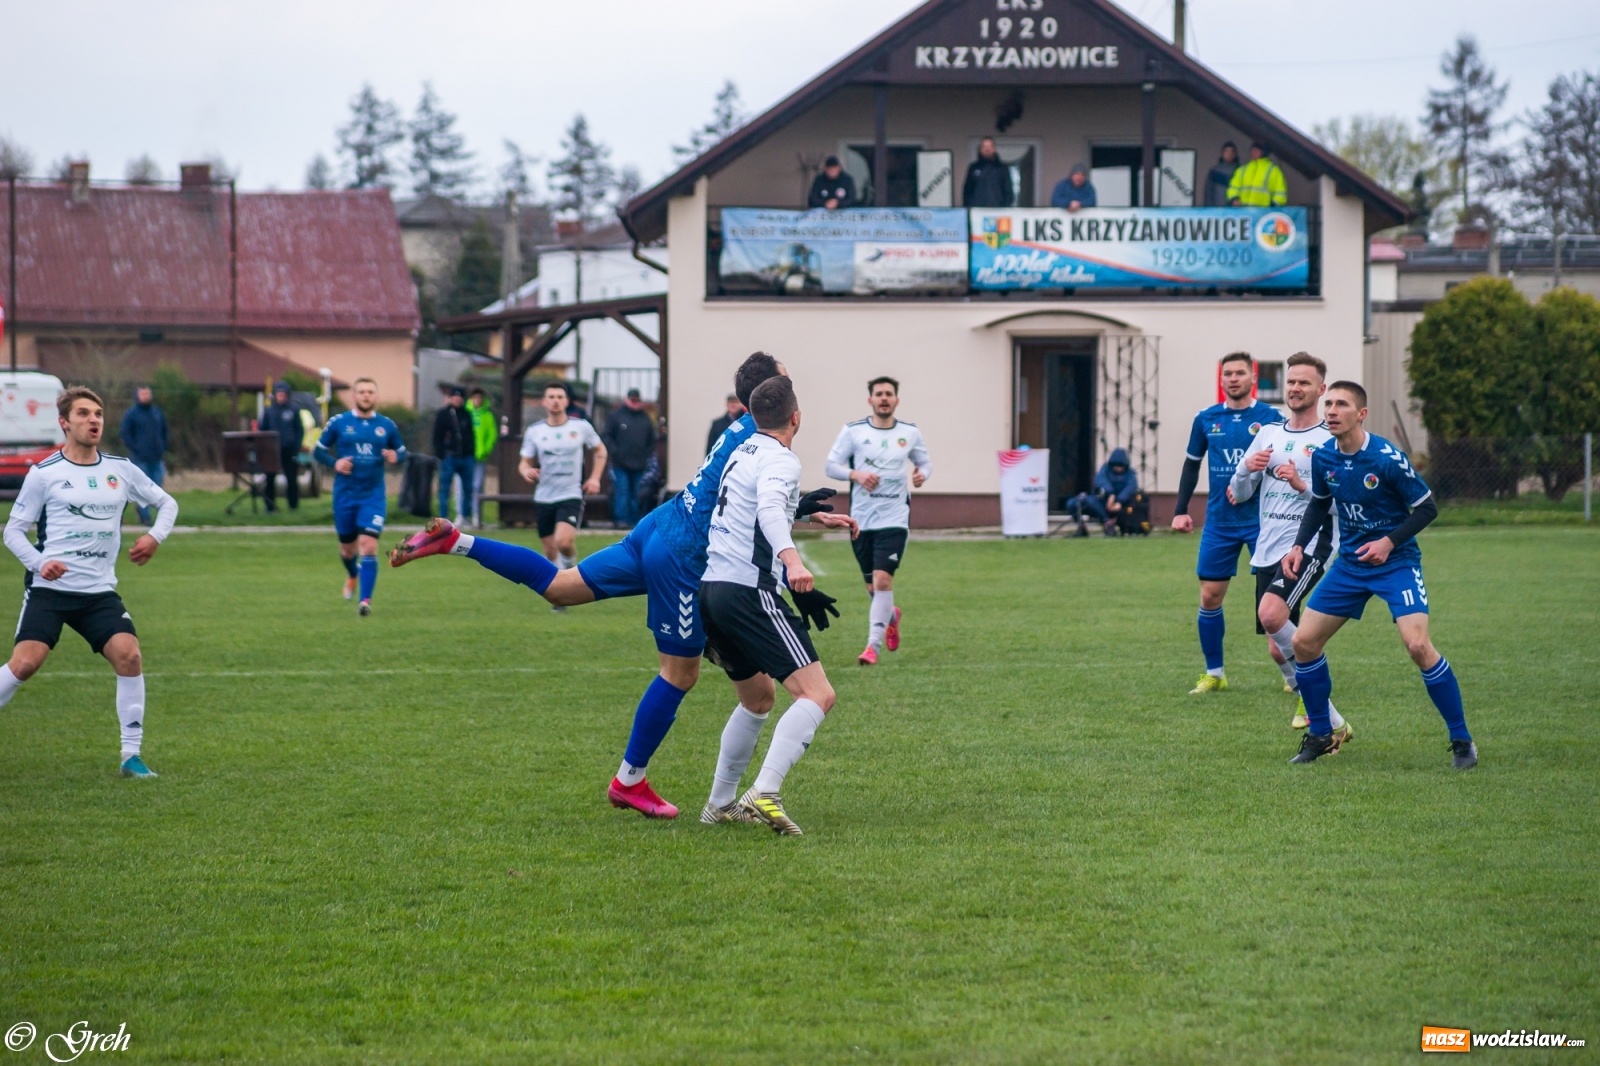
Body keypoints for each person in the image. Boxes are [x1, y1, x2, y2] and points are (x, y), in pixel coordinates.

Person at [390, 353, 855, 820]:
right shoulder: (760, 439)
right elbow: (747, 502)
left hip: (659, 526)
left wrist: (800, 510)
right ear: (774, 394)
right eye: (787, 377)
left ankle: (458, 541)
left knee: (560, 586)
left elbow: (733, 493)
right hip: (683, 558)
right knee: (679, 675)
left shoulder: (738, 431)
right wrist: (791, 536)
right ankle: (629, 780)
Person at [1281, 381, 1476, 770]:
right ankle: (1322, 733)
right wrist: (1298, 545)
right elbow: (1319, 505)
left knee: (1418, 646)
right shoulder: (1324, 457)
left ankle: (1462, 740)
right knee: (1303, 642)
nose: (1332, 410)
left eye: (1342, 404)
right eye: (1330, 403)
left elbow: (1426, 508)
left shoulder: (1387, 458)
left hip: (1396, 563)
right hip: (1351, 566)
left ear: (1361, 414)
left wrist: (1388, 542)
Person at [699, 375, 855, 835]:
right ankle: (764, 791)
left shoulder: (740, 451)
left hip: (713, 590)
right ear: (796, 417)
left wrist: (806, 513)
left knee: (758, 698)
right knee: (818, 694)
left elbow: (751, 506)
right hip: (749, 592)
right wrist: (792, 562)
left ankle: (719, 803)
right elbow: (767, 506)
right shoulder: (782, 459)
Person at [0, 386, 178, 778]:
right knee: (26, 664)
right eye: (83, 413)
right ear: (64, 423)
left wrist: (153, 537)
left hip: (98, 592)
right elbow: (13, 532)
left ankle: (131, 756)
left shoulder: (121, 469)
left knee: (129, 655)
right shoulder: (44, 474)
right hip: (50, 590)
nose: (93, 419)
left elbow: (168, 503)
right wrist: (40, 562)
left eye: (97, 413)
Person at [1228, 352, 1349, 740]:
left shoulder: (1329, 440)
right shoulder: (1269, 434)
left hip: (1312, 543)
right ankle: (1330, 719)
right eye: (1292, 382)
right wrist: (1247, 469)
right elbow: (1238, 492)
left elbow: (1343, 500)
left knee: (1273, 614)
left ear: (1321, 389)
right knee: (1279, 649)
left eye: (1304, 383)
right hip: (1268, 547)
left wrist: (1303, 485)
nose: (1296, 389)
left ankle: (1319, 716)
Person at [1171, 352, 1284, 694]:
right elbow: (1191, 466)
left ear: (1254, 377)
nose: (1233, 378)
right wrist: (1180, 509)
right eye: (1228, 374)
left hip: (1263, 522)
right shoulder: (1206, 419)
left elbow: (1283, 464)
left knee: (1277, 602)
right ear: (1221, 380)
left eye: (1240, 373)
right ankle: (1215, 673)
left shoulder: (1271, 419)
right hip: (1219, 521)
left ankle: (1292, 673)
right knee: (1209, 596)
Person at [824, 376, 930, 666]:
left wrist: (922, 475)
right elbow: (830, 466)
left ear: (896, 400)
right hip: (862, 520)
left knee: (883, 580)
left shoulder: (910, 432)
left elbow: (924, 463)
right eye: (879, 394)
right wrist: (856, 475)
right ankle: (891, 615)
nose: (884, 398)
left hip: (894, 518)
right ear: (870, 400)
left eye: (889, 394)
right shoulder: (853, 432)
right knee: (872, 588)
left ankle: (872, 647)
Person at [315, 378, 407, 616]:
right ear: (354, 396)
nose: (366, 395)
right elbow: (318, 450)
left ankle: (365, 602)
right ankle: (353, 573)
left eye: (370, 392)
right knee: (347, 550)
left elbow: (402, 451)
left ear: (376, 397)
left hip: (373, 496)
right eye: (362, 392)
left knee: (368, 545)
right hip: (345, 496)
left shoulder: (386, 425)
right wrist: (335, 463)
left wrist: (396, 457)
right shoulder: (339, 423)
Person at [519, 382, 606, 600]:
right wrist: (527, 471)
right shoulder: (535, 431)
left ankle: (570, 571)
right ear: (544, 402)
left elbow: (600, 450)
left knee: (564, 542)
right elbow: (523, 462)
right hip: (544, 496)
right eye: (551, 396)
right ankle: (559, 593)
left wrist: (595, 478)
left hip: (570, 493)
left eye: (560, 396)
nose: (556, 400)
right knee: (549, 551)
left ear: (566, 401)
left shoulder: (581, 427)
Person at [602, 388, 656, 530]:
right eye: (632, 400)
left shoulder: (645, 418)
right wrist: (615, 451)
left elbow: (651, 439)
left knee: (636, 494)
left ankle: (634, 520)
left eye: (637, 400)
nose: (634, 403)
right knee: (622, 491)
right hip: (620, 463)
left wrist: (646, 454)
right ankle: (621, 520)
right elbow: (606, 435)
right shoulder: (616, 416)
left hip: (640, 463)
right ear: (627, 399)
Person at [118, 385, 167, 525]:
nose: (146, 396)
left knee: (157, 486)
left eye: (148, 393)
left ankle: (159, 515)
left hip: (157, 457)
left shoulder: (157, 413)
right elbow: (125, 434)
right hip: (140, 458)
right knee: (143, 488)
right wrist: (136, 449)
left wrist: (163, 447)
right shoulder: (132, 414)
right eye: (143, 394)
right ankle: (145, 516)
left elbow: (164, 431)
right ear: (137, 395)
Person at [1069, 448, 1140, 536]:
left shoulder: (1130, 474)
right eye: (1116, 466)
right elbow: (1100, 481)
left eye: (1121, 466)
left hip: (1121, 506)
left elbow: (1131, 487)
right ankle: (1083, 527)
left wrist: (1119, 501)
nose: (1118, 468)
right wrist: (1111, 494)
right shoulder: (1105, 470)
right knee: (1072, 503)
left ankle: (1108, 524)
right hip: (1101, 502)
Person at [433, 387, 476, 524]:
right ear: (451, 398)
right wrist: (441, 454)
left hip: (466, 456)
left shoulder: (467, 414)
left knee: (468, 488)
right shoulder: (443, 415)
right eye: (455, 397)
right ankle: (444, 517)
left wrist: (471, 450)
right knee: (445, 487)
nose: (457, 399)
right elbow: (437, 436)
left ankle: (465, 515)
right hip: (449, 457)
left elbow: (471, 434)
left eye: (460, 397)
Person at [260, 381, 304, 513]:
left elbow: (299, 430)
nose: (281, 396)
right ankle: (270, 506)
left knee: (291, 478)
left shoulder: (294, 410)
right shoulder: (269, 411)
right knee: (270, 478)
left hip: (289, 449)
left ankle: (293, 506)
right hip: (272, 450)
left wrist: (296, 446)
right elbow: (263, 430)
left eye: (283, 394)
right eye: (278, 394)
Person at [468, 387, 496, 528]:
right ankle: (463, 514)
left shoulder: (487, 416)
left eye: (480, 398)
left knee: (477, 485)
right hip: (466, 455)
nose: (477, 401)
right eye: (475, 398)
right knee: (464, 486)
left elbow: (492, 434)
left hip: (480, 456)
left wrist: (485, 450)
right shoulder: (467, 413)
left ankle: (477, 515)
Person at [1227, 141, 1288, 207]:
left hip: (1263, 214)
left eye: (1256, 150)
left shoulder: (1273, 170)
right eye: (1252, 150)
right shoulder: (1242, 169)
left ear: (1263, 152)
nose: (1253, 152)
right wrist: (1234, 199)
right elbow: (1233, 187)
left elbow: (1280, 193)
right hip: (1244, 212)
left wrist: (1272, 207)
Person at [962, 137, 1014, 208]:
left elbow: (1008, 191)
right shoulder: (973, 168)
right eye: (984, 146)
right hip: (976, 211)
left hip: (997, 211)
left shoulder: (1002, 168)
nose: (987, 149)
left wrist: (1005, 208)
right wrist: (969, 207)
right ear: (980, 149)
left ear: (994, 149)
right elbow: (967, 191)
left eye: (990, 146)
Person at [1204, 141, 1239, 207]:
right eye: (1227, 151)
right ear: (1222, 153)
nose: (1229, 154)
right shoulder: (1214, 171)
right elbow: (1208, 192)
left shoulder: (1240, 170)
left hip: (1235, 211)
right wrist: (1209, 208)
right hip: (1217, 210)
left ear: (1235, 154)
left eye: (1232, 152)